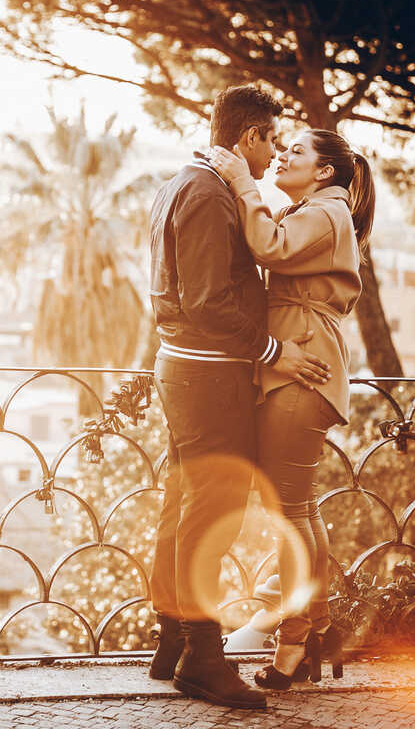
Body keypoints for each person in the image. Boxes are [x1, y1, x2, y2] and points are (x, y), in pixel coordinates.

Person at [147, 85, 332, 710]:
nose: (274, 152)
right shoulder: (205, 192)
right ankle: (203, 655)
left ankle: (172, 636)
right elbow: (206, 301)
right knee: (211, 504)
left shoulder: (185, 182)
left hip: (189, 370)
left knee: (184, 498)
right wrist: (276, 353)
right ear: (249, 137)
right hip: (208, 374)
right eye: (272, 140)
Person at [209, 128, 375, 689]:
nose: (283, 154)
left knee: (289, 511)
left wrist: (239, 181)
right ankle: (314, 629)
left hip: (302, 365)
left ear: (325, 171)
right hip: (297, 358)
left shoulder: (327, 213)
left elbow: (269, 248)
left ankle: (295, 641)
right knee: (294, 507)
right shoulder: (320, 209)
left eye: (297, 151)